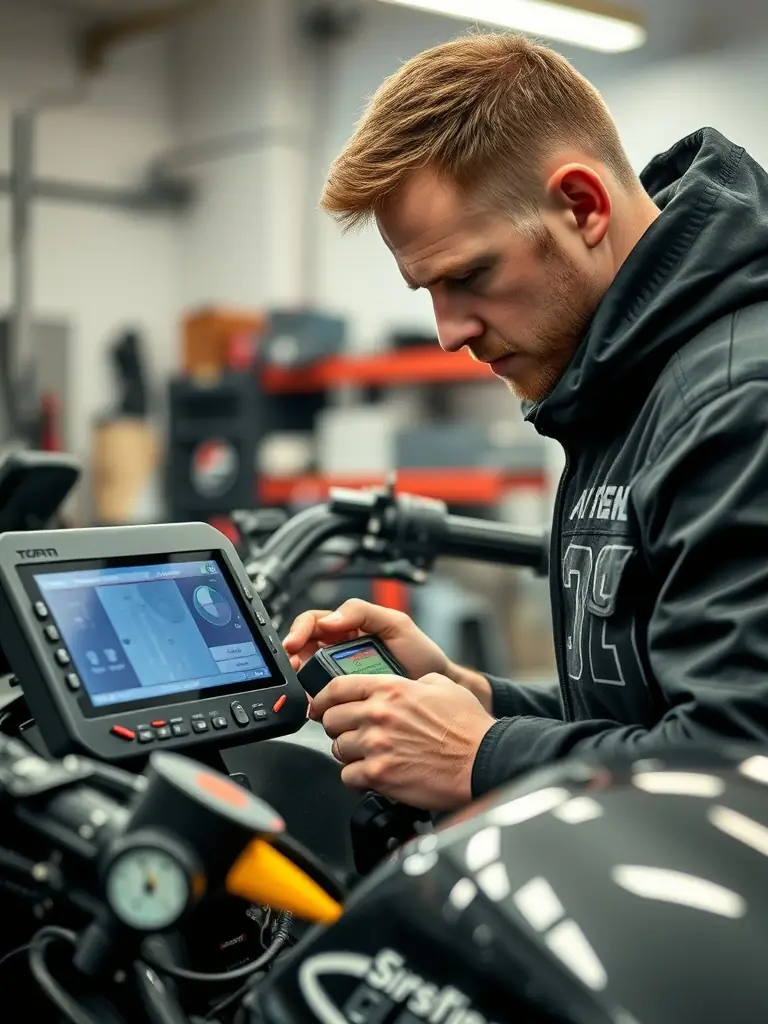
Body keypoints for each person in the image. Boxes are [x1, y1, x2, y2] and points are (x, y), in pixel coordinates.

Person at [283, 33, 768, 812]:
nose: (449, 332)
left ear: (582, 206)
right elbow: (640, 721)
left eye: (470, 275)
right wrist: (472, 697)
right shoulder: (616, 389)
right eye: (426, 292)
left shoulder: (739, 397)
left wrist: (481, 754)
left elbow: (739, 765)